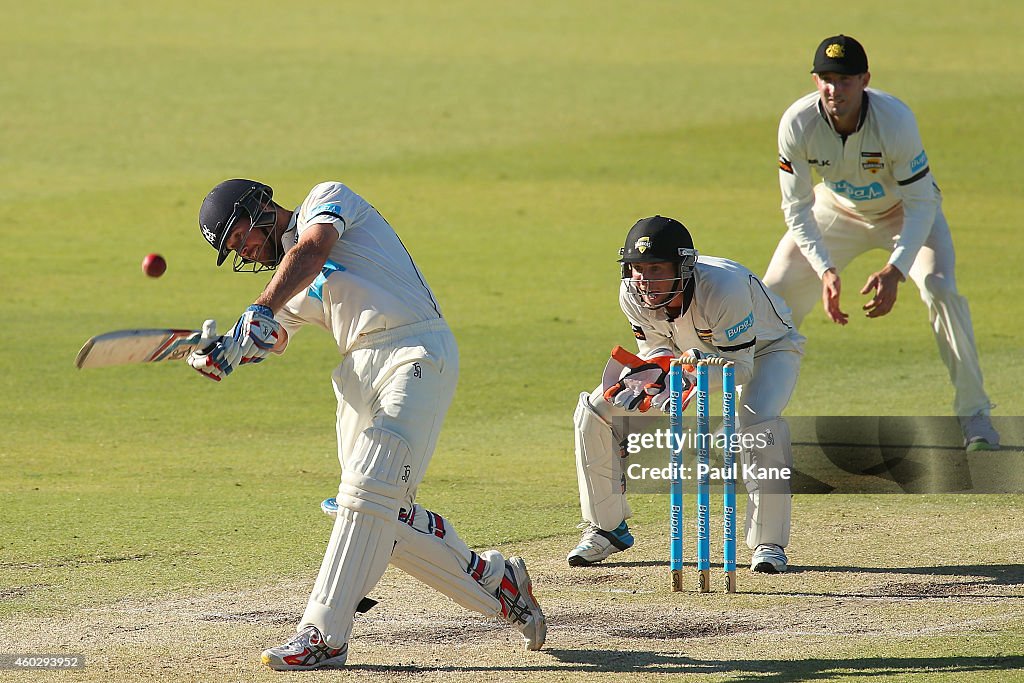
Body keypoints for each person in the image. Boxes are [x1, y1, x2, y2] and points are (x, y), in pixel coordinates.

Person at [189, 179, 546, 671]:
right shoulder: (286, 285)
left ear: (260, 206)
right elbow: (274, 337)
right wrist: (229, 348)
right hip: (357, 370)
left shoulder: (324, 202)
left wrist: (259, 310)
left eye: (240, 234)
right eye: (234, 249)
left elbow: (312, 252)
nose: (245, 249)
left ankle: (323, 635)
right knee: (371, 516)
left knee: (370, 492)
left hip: (412, 349)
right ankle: (495, 582)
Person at [762, 34, 999, 451]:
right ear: (816, 81)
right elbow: (796, 206)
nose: (836, 89)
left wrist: (897, 269)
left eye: (846, 79)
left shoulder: (895, 120)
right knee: (774, 294)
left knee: (940, 286)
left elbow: (922, 201)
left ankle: (975, 415)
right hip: (835, 211)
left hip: (906, 213)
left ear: (865, 79)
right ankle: (751, 421)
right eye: (827, 78)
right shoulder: (797, 123)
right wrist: (825, 268)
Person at [568, 215, 805, 573]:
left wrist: (688, 372)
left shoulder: (725, 286)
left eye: (657, 268)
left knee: (759, 419)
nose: (645, 280)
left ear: (684, 266)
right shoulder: (631, 293)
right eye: (637, 268)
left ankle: (768, 544)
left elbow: (740, 369)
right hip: (689, 359)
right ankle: (607, 527)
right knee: (595, 410)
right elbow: (656, 349)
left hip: (767, 350)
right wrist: (652, 380)